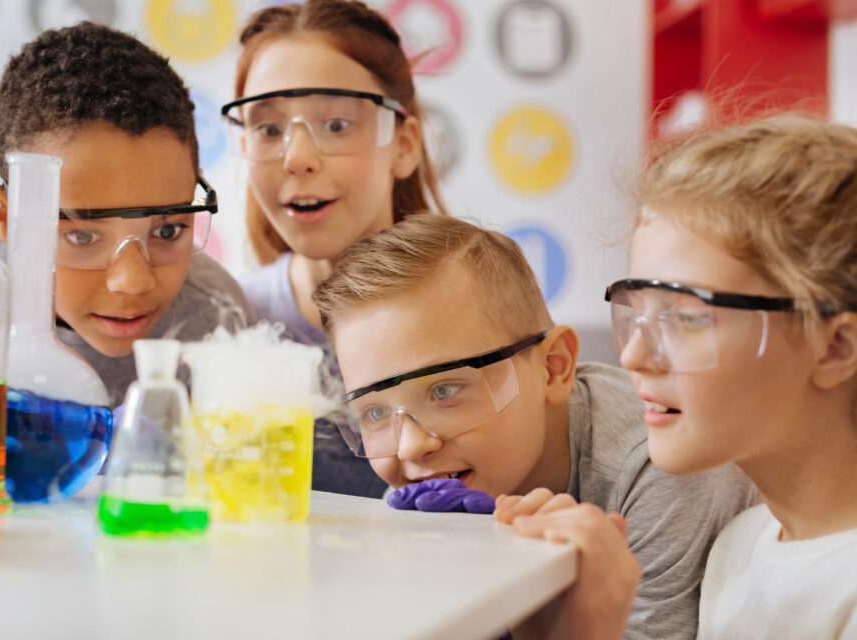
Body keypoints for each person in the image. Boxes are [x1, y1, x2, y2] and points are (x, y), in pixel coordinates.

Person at [311, 214, 758, 640]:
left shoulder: (660, 467)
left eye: (445, 390)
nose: (410, 447)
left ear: (554, 368)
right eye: (374, 413)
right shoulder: (428, 487)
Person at [519, 114, 857, 639]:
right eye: (635, 312)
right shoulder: (739, 546)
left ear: (835, 346)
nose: (632, 354)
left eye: (687, 317)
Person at [223, 0, 448, 497]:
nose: (297, 158)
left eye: (337, 124)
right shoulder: (230, 323)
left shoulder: (474, 314)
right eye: (269, 129)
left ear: (405, 144)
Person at [0, 22, 254, 406]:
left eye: (167, 231)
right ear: (4, 217)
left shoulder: (214, 321)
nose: (132, 282)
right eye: (82, 235)